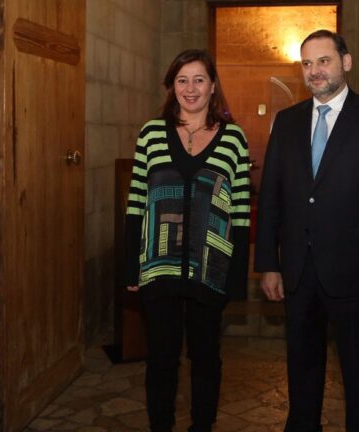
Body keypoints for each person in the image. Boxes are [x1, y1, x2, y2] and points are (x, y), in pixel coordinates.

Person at [255, 30, 359, 432]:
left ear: (346, 62)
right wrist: (269, 263)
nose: (314, 71)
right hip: (299, 271)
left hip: (357, 273)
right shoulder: (286, 122)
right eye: (307, 64)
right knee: (302, 369)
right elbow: (270, 196)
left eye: (323, 61)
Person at [124, 49, 251, 432]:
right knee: (161, 358)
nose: (190, 88)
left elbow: (240, 211)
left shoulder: (234, 138)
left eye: (199, 80)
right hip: (157, 264)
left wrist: (236, 276)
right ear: (172, 86)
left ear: (212, 86)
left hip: (211, 266)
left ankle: (202, 426)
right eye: (182, 80)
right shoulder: (151, 134)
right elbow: (136, 203)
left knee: (206, 357)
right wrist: (131, 266)